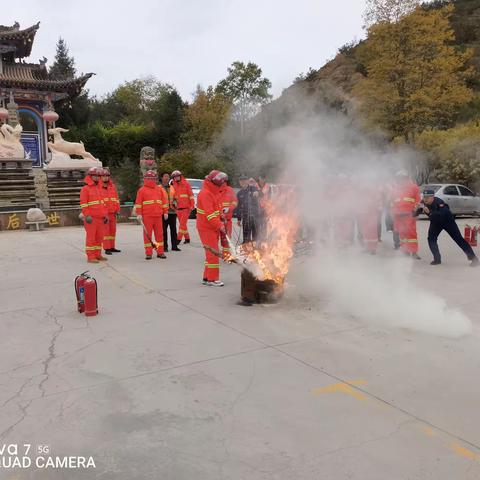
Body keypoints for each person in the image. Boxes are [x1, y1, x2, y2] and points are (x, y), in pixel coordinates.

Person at [415, 189, 479, 267]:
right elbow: (415, 214)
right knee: (431, 239)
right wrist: (415, 209)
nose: (425, 199)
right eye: (424, 197)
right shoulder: (423, 203)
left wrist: (430, 213)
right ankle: (437, 259)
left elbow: (442, 215)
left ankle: (474, 258)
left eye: (428, 197)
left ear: (433, 197)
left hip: (448, 222)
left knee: (459, 239)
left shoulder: (440, 203)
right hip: (436, 222)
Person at [196, 170, 228, 286]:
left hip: (211, 227)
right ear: (214, 182)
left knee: (210, 253)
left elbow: (216, 209)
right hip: (206, 227)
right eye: (220, 183)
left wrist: (221, 216)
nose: (222, 185)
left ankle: (206, 277)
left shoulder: (213, 192)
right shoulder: (205, 194)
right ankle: (212, 279)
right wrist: (220, 225)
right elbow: (209, 215)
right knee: (213, 254)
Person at [134, 170, 169, 260]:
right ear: (145, 179)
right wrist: (139, 214)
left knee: (159, 235)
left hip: (158, 215)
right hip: (147, 216)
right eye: (149, 178)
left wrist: (165, 212)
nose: (151, 180)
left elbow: (164, 201)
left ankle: (160, 252)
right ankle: (148, 253)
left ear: (155, 179)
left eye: (153, 178)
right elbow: (138, 203)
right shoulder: (141, 190)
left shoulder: (159, 189)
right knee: (147, 235)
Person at [79, 167, 109, 263]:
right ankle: (90, 256)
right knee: (91, 238)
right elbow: (84, 204)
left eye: (98, 176)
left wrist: (105, 215)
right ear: (90, 176)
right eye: (95, 176)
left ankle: (97, 254)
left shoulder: (99, 188)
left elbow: (102, 203)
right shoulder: (85, 189)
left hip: (100, 218)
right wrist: (87, 215)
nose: (97, 178)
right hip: (91, 218)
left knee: (99, 238)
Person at [390, 170, 421, 259]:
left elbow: (418, 200)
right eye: (399, 178)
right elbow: (392, 202)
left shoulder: (413, 187)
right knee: (402, 233)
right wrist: (392, 212)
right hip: (398, 214)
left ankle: (414, 252)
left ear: (406, 178)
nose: (400, 180)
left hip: (409, 213)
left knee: (411, 233)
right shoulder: (395, 188)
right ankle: (405, 250)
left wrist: (416, 211)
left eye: (402, 178)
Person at [101, 168, 121, 255]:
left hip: (113, 213)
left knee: (113, 231)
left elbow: (116, 199)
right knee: (106, 232)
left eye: (107, 175)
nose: (106, 177)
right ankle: (107, 248)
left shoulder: (112, 187)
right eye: (104, 176)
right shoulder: (98, 187)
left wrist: (117, 210)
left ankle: (112, 246)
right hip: (104, 214)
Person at [171, 170, 195, 244]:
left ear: (180, 176)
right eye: (175, 177)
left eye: (178, 176)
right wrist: (172, 205)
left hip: (186, 208)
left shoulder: (186, 184)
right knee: (183, 224)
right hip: (178, 209)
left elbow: (191, 195)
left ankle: (178, 239)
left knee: (182, 225)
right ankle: (187, 238)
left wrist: (192, 205)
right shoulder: (173, 186)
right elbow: (172, 197)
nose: (176, 178)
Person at [236, 176, 261, 244]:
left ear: (247, 181)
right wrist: (238, 219)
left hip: (255, 217)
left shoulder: (253, 188)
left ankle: (256, 252)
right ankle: (246, 250)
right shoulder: (239, 193)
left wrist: (257, 193)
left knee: (256, 237)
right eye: (241, 181)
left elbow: (260, 192)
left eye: (244, 180)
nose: (243, 182)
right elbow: (238, 207)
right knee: (246, 238)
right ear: (239, 182)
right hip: (245, 217)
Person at [161, 172, 181, 252]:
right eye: (165, 176)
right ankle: (164, 247)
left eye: (168, 177)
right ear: (162, 178)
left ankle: (174, 246)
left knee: (173, 230)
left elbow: (176, 197)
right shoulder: (159, 188)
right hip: (163, 212)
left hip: (172, 212)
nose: (167, 178)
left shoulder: (172, 187)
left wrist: (176, 203)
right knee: (164, 231)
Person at [219, 180, 238, 256]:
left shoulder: (230, 190)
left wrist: (229, 208)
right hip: (216, 219)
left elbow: (235, 202)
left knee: (226, 239)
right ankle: (213, 256)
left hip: (227, 220)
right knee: (214, 238)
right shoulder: (214, 189)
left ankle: (226, 254)